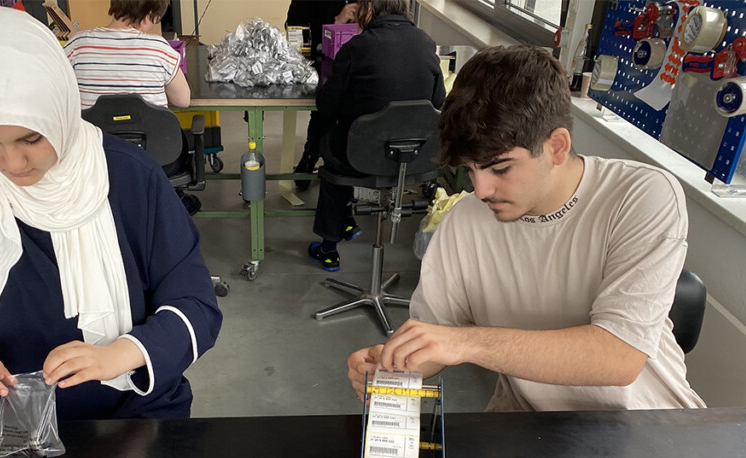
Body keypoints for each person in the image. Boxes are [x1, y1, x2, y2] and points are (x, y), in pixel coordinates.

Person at [0, 6, 222, 421]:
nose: (14, 163)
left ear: (60, 108)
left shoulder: (127, 175)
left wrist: (121, 355)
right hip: (3, 418)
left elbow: (195, 303)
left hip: (131, 412)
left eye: (32, 138)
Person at [347, 45, 705, 411]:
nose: (481, 190)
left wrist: (464, 343)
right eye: (470, 170)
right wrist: (395, 363)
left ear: (557, 147)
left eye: (501, 168)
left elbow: (618, 357)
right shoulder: (465, 222)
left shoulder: (640, 195)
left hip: (650, 425)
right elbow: (437, 342)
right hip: (527, 425)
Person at [307, 0, 445, 271]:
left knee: (332, 146)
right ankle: (347, 220)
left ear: (370, 10)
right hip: (414, 157)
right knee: (351, 140)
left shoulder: (356, 47)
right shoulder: (426, 43)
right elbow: (437, 101)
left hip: (361, 158)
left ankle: (328, 248)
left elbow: (327, 106)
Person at [64, 0, 201, 215]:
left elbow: (62, 95)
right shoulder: (160, 49)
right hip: (155, 160)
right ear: (148, 15)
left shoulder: (77, 45)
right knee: (176, 138)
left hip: (95, 158)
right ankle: (172, 197)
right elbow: (183, 100)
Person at [285, 0, 357, 192]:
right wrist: (335, 23)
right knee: (326, 106)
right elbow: (296, 34)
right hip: (322, 63)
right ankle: (312, 153)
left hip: (361, 62)